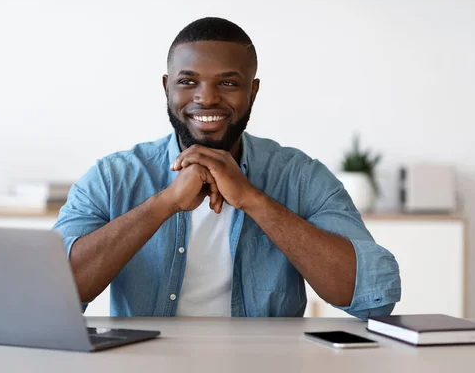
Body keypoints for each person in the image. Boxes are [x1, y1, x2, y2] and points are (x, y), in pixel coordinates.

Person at [53, 17, 401, 319]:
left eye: (229, 83)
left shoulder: (300, 175)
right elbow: (54, 292)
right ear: (166, 87)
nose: (206, 98)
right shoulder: (113, 177)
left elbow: (372, 297)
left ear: (253, 91)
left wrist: (252, 199)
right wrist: (166, 203)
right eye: (188, 81)